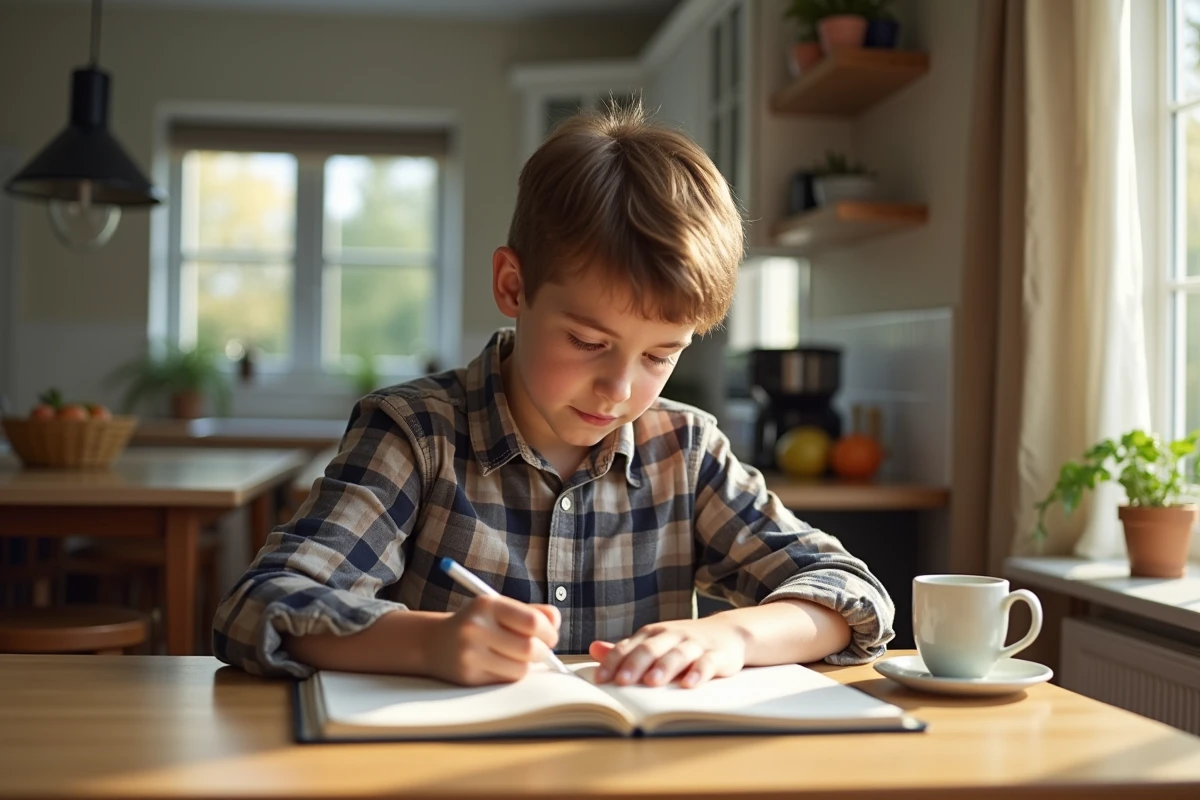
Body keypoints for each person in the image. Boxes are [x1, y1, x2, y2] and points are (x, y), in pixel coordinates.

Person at [212, 103, 894, 688]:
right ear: (513, 287)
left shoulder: (685, 452)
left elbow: (853, 592)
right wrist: (429, 643)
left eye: (659, 355)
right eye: (589, 342)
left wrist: (733, 636)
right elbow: (261, 604)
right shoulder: (415, 434)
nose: (619, 389)